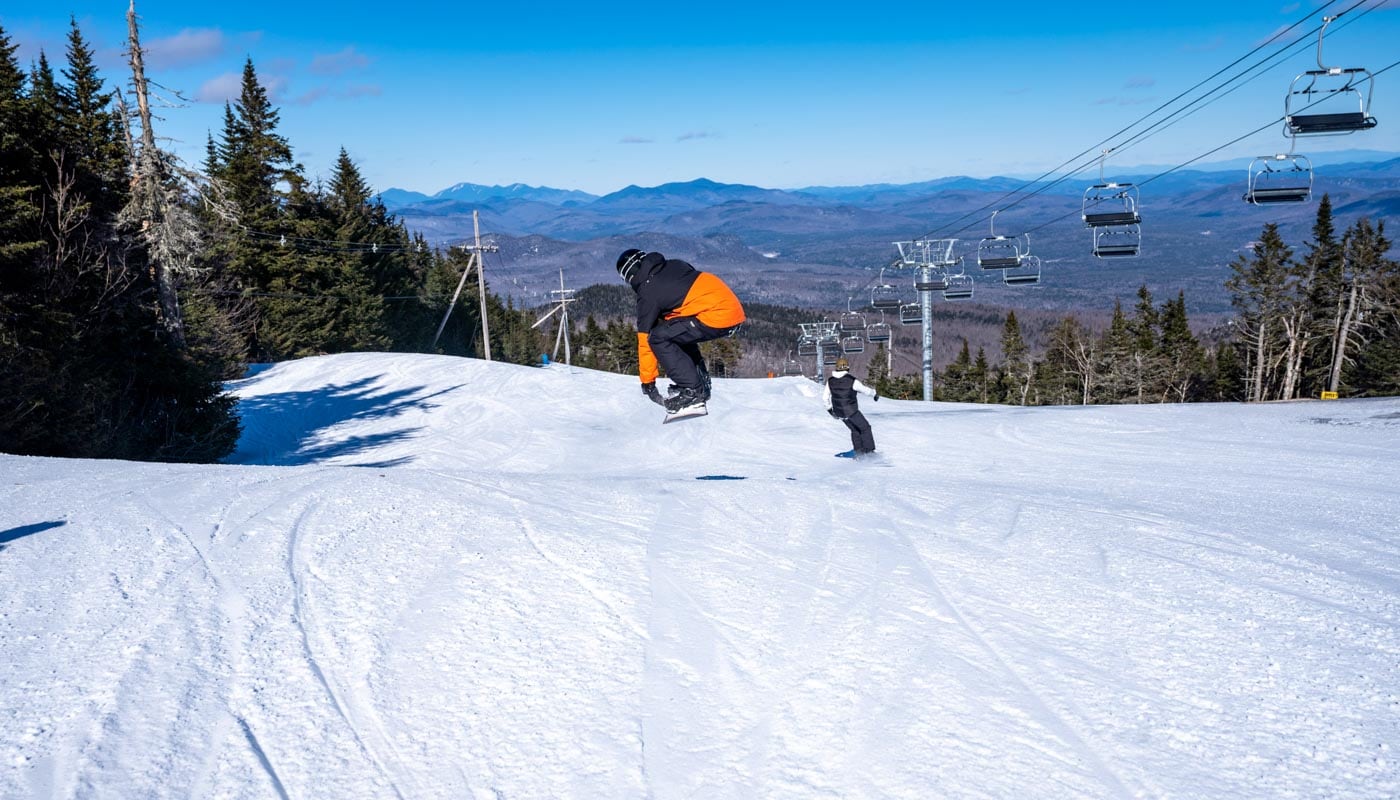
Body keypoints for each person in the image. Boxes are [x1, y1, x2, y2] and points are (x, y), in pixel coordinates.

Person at [616, 249, 745, 414]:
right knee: (674, 331)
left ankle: (692, 391)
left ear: (629, 276)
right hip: (732, 310)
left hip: (718, 315)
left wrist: (648, 382)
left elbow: (645, 340)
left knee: (658, 338)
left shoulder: (647, 293)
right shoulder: (673, 264)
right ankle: (698, 383)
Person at [824, 356, 878, 456]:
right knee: (865, 428)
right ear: (847, 368)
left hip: (839, 412)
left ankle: (859, 451)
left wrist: (830, 411)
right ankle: (869, 452)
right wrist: (874, 394)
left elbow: (825, 398)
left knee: (854, 429)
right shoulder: (852, 380)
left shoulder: (830, 381)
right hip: (851, 411)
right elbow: (865, 390)